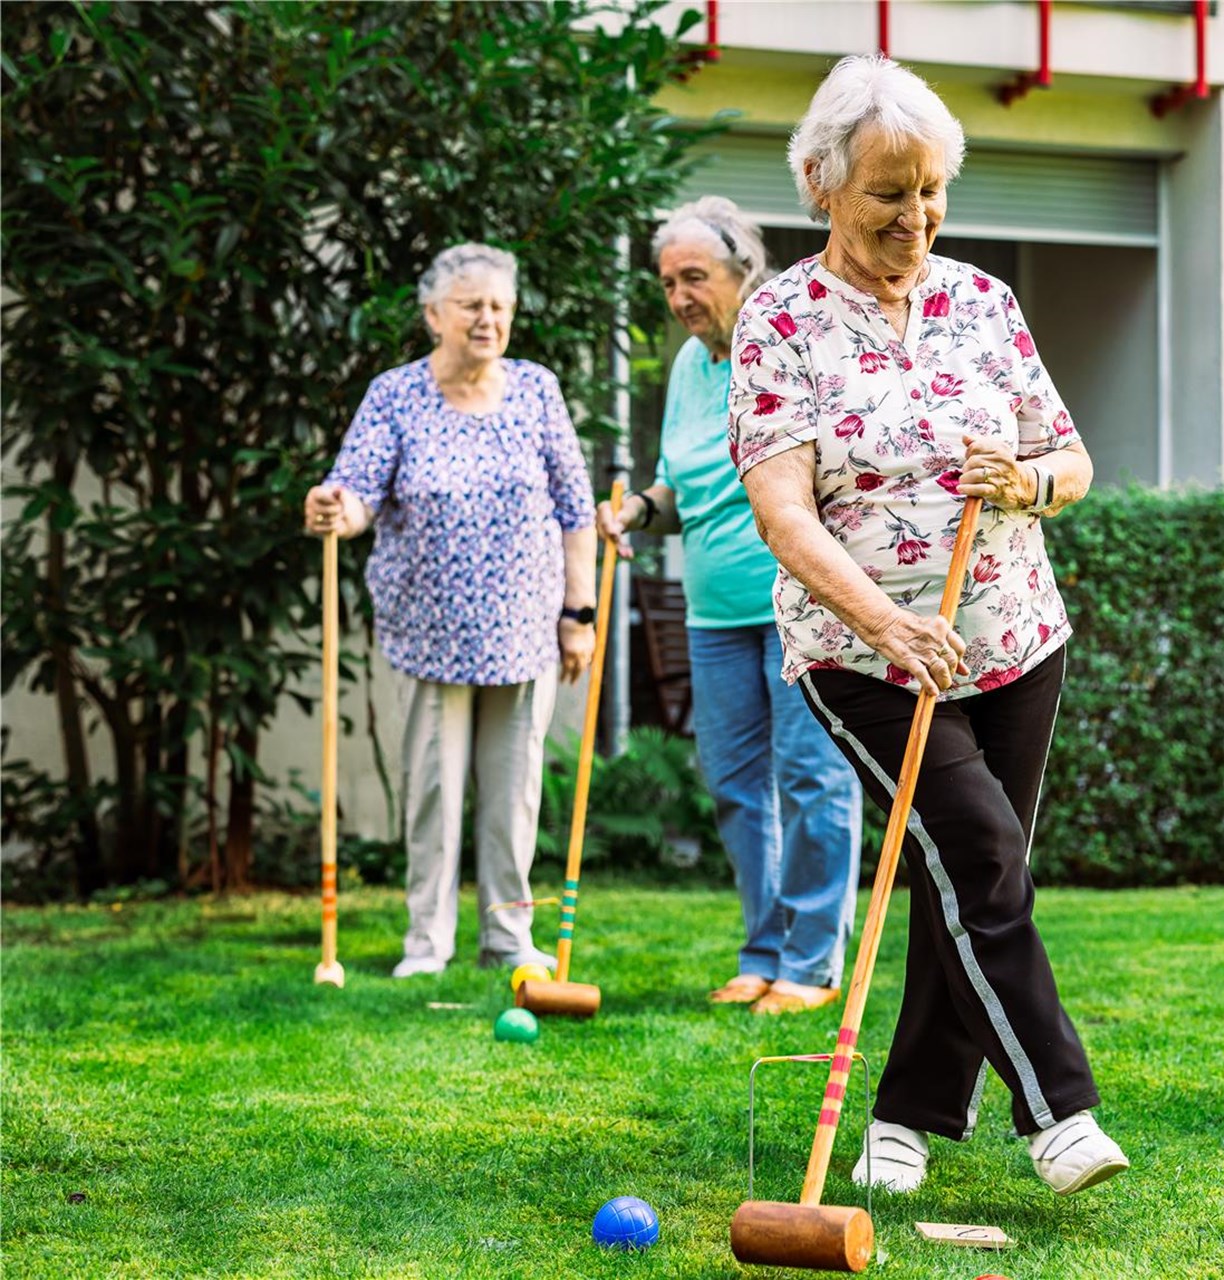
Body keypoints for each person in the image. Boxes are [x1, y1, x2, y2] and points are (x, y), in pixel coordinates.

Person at [726, 53, 1128, 1198]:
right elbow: (785, 514)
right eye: (887, 192)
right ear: (821, 186)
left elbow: (1075, 459)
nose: (916, 217)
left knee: (963, 873)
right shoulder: (781, 322)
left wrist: (1028, 483)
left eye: (930, 190)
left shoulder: (983, 302)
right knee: (983, 854)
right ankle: (1058, 1111)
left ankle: (904, 1117)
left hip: (1014, 635)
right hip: (861, 654)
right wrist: (888, 623)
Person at [597, 197, 864, 1017]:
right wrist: (639, 508)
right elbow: (689, 483)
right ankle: (764, 949)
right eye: (668, 281)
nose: (679, 296)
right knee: (736, 783)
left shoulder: (791, 337)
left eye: (694, 278)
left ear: (743, 271)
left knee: (812, 775)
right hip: (710, 609)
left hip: (799, 600)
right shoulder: (688, 366)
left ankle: (813, 962)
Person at [303, 243, 596, 979]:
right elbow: (358, 488)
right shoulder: (396, 394)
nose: (488, 319)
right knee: (434, 792)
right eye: (472, 306)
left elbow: (575, 509)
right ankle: (425, 943)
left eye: (499, 306)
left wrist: (578, 612)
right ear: (435, 315)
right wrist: (338, 510)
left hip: (524, 631)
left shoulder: (536, 390)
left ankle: (507, 938)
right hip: (428, 630)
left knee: (513, 797)